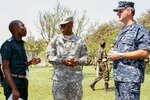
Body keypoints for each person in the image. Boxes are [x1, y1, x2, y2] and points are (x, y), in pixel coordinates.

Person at [108, 1, 150, 100]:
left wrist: (120, 55)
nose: (117, 13)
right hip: (118, 77)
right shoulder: (121, 32)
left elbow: (145, 52)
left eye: (120, 11)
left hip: (130, 78)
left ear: (129, 11)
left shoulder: (140, 29)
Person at [46, 16, 88, 100]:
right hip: (59, 80)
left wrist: (78, 61)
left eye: (64, 25)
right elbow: (49, 57)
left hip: (75, 80)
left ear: (71, 25)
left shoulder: (80, 41)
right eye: (61, 25)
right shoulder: (55, 40)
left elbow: (86, 57)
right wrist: (62, 60)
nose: (61, 27)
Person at [1, 20, 41, 100]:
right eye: (22, 26)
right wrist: (14, 89)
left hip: (23, 82)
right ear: (16, 28)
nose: (25, 28)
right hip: (13, 83)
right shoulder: (8, 44)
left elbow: (19, 65)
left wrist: (30, 63)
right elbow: (5, 67)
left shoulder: (21, 44)